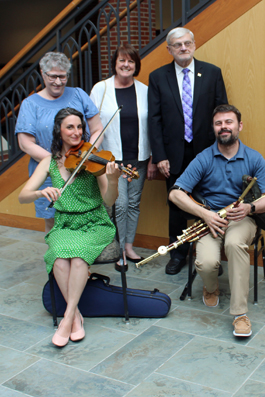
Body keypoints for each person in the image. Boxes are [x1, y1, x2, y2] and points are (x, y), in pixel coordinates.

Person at [169, 104, 265, 337]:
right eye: (219, 123)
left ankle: (240, 314)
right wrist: (204, 214)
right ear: (214, 128)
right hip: (211, 219)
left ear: (239, 126)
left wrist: (250, 208)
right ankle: (211, 288)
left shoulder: (254, 157)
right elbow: (175, 194)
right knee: (206, 263)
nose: (223, 127)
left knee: (234, 244)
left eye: (228, 122)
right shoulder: (204, 158)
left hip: (242, 219)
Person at [18, 108, 122, 348]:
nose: (76, 133)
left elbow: (109, 201)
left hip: (94, 223)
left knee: (77, 258)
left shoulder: (93, 159)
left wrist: (114, 180)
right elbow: (23, 196)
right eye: (70, 127)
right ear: (59, 131)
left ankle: (67, 317)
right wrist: (40, 191)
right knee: (58, 259)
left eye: (79, 127)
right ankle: (75, 317)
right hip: (64, 223)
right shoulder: (49, 162)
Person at [148, 27, 228, 275]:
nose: (183, 48)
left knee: (209, 201)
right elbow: (154, 119)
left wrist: (221, 151)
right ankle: (178, 253)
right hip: (173, 154)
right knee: (177, 205)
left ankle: (210, 255)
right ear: (169, 49)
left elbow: (222, 113)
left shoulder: (212, 73)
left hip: (207, 153)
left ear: (194, 44)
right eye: (177, 44)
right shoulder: (158, 77)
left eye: (186, 43)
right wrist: (159, 155)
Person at [15, 52, 104, 233]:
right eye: (52, 76)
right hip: (47, 172)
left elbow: (97, 129)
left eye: (62, 76)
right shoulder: (30, 104)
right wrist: (57, 162)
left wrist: (86, 154)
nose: (58, 81)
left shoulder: (78, 94)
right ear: (42, 73)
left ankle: (80, 258)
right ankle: (57, 260)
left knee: (85, 218)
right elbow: (25, 143)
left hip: (82, 167)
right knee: (54, 224)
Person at [90, 43, 157, 268]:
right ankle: (118, 249)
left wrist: (152, 158)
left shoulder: (145, 90)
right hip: (112, 159)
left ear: (136, 65)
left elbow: (152, 126)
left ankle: (129, 246)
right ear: (115, 64)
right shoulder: (101, 89)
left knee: (134, 203)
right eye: (122, 60)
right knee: (120, 204)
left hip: (138, 157)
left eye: (131, 61)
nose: (126, 64)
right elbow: (93, 124)